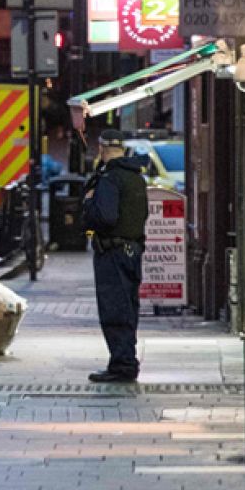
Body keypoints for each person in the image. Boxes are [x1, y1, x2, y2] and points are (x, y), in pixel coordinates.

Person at [83, 129, 150, 383]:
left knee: (114, 309)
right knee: (128, 308)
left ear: (101, 149)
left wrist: (89, 203)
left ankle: (122, 365)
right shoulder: (136, 178)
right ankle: (125, 360)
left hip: (112, 252)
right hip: (132, 251)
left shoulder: (110, 178)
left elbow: (105, 216)